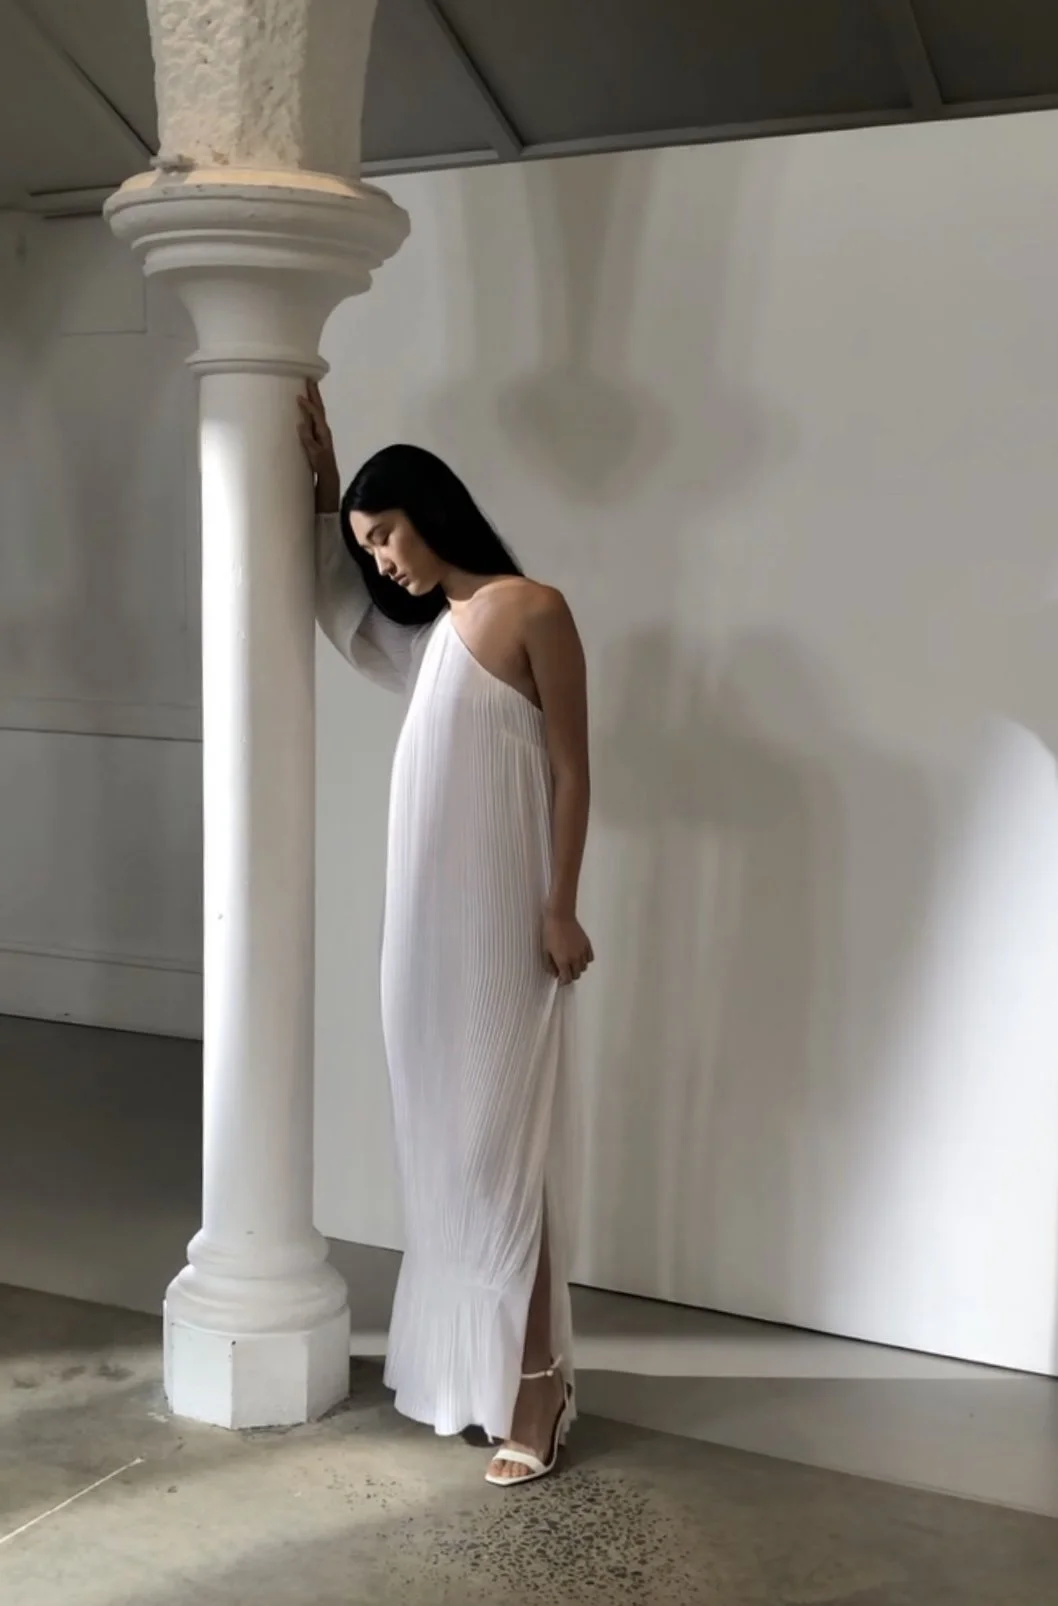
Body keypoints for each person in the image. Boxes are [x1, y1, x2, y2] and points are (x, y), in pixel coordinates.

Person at [299, 381, 593, 1487]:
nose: (382, 559)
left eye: (388, 533)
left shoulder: (531, 609)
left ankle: (540, 1387)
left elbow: (571, 768)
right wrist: (325, 493)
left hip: (503, 931)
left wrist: (559, 904)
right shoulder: (424, 643)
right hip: (419, 937)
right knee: (443, 1159)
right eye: (368, 545)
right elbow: (345, 616)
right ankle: (485, 1378)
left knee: (501, 1157)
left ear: (432, 510)